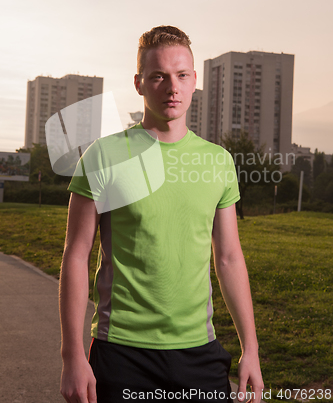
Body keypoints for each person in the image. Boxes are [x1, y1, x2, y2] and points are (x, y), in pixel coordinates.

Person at [59, 26, 264, 403]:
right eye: (159, 76)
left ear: (194, 81)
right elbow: (76, 254)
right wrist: (72, 355)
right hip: (121, 353)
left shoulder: (218, 161)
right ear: (139, 83)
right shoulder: (103, 156)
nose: (173, 87)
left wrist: (250, 349)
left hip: (199, 354)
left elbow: (230, 257)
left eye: (182, 75)